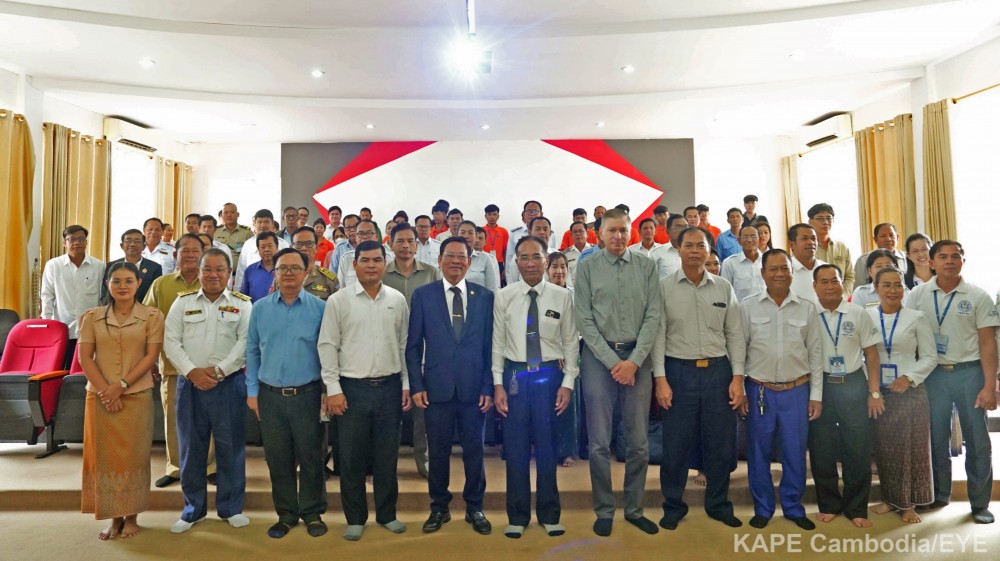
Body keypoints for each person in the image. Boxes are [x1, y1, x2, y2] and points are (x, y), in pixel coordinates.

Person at [574, 208, 662, 537]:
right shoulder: (587, 267)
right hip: (599, 358)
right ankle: (604, 509)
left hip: (638, 357)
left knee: (638, 442)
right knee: (599, 442)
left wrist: (634, 361)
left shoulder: (647, 266)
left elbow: (653, 316)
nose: (618, 236)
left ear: (631, 232)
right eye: (611, 230)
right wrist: (614, 362)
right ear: (599, 233)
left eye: (623, 230)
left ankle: (635, 509)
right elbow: (584, 319)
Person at [652, 227, 746, 531]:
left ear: (708, 250)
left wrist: (738, 378)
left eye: (700, 246)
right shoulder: (663, 288)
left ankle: (718, 505)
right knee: (676, 443)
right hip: (678, 372)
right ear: (678, 250)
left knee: (720, 442)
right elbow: (658, 336)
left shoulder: (723, 287)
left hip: (719, 372)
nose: (694, 250)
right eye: (688, 245)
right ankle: (673, 506)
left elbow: (735, 334)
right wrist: (660, 379)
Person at [406, 237, 495, 536]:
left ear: (469, 262)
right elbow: (413, 346)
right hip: (436, 388)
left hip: (474, 389)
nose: (456, 261)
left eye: (462, 257)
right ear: (440, 259)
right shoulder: (423, 295)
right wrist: (416, 385)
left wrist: (488, 386)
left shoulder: (484, 297)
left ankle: (475, 507)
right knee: (438, 452)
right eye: (450, 256)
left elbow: (489, 346)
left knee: (474, 452)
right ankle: (439, 507)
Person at [492, 236, 579, 539]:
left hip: (549, 378)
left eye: (536, 257)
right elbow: (497, 343)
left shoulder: (562, 296)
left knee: (547, 448)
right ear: (516, 262)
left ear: (546, 260)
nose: (530, 263)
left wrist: (568, 383)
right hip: (515, 378)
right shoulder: (504, 296)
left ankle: (549, 514)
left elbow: (570, 342)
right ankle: (517, 516)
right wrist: (497, 384)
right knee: (515, 449)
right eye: (524, 257)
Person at [907, 240, 998, 524]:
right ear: (931, 262)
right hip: (933, 375)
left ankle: (980, 503)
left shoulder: (978, 295)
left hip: (970, 374)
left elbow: (988, 343)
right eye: (942, 256)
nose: (949, 261)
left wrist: (990, 386)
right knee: (935, 438)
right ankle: (939, 494)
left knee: (977, 440)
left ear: (963, 261)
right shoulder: (917, 295)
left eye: (955, 256)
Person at [163, 248, 252, 534]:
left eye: (219, 269)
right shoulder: (182, 303)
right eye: (208, 269)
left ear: (229, 274)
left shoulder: (243, 305)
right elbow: (171, 341)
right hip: (190, 385)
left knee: (230, 448)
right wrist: (192, 372)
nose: (213, 275)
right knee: (191, 449)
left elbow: (245, 343)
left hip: (229, 385)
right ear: (199, 272)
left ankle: (231, 508)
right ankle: (192, 510)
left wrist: (220, 371)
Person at [246, 248, 328, 539]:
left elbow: (329, 353)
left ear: (306, 273)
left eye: (295, 268)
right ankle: (286, 514)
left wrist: (327, 390)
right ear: (275, 273)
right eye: (283, 268)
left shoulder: (321, 308)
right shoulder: (260, 308)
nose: (289, 273)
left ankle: (313, 513)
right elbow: (252, 351)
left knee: (311, 458)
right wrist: (252, 392)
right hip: (270, 396)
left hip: (309, 394)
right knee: (278, 459)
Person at [78, 261, 163, 541]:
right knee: (106, 459)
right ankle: (113, 518)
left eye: (128, 281)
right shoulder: (91, 316)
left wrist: (122, 386)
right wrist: (106, 391)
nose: (122, 286)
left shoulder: (152, 316)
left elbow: (151, 357)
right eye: (116, 281)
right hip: (99, 398)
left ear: (139, 284)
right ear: (107, 284)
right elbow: (84, 358)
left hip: (136, 396)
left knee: (134, 457)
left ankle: (132, 517)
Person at [741, 249, 823, 530]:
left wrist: (816, 396)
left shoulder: (807, 307)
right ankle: (763, 507)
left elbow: (816, 355)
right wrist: (740, 388)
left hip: (796, 390)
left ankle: (793, 506)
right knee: (758, 451)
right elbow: (739, 350)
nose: (779, 274)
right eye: (773, 269)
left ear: (792, 272)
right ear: (763, 273)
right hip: (759, 390)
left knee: (794, 451)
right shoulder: (748, 306)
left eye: (784, 268)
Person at [808, 264, 882, 528]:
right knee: (821, 448)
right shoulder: (808, 314)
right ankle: (829, 504)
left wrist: (874, 392)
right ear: (814, 286)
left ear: (843, 284)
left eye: (835, 281)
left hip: (853, 384)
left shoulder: (858, 313)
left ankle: (856, 507)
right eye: (824, 282)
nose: (830, 286)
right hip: (820, 386)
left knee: (857, 447)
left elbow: (872, 355)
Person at [867, 266, 937, 523]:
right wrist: (873, 389)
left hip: (911, 391)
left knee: (912, 449)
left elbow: (930, 357)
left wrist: (909, 377)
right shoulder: (866, 316)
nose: (893, 290)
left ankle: (909, 504)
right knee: (885, 449)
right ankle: (890, 499)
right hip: (878, 392)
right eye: (886, 285)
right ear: (875, 287)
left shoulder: (916, 317)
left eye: (898, 285)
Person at [142, 235, 212, 488]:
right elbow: (147, 321)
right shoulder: (161, 285)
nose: (191, 255)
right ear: (175, 255)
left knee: (207, 418)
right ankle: (175, 468)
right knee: (173, 419)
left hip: (207, 366)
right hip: (172, 365)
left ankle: (209, 467)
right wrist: (150, 359)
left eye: (196, 251)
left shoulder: (214, 283)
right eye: (186, 251)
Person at [384, 223, 441, 479]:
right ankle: (384, 467)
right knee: (388, 414)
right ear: (391, 244)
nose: (406, 245)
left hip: (423, 351)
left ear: (417, 245)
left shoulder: (431, 272)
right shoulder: (382, 274)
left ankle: (425, 465)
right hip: (389, 349)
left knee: (423, 413)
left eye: (410, 241)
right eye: (400, 241)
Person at [41, 224, 106, 367]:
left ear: (86, 242)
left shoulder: (99, 266)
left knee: (88, 368)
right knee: (61, 367)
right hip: (62, 328)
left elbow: (103, 298)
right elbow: (47, 296)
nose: (77, 242)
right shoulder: (53, 265)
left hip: (91, 329)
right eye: (72, 239)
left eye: (81, 239)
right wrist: (47, 324)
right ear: (65, 243)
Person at [100, 229, 162, 305]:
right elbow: (105, 294)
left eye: (137, 241)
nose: (132, 244)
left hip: (144, 310)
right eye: (128, 240)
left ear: (144, 246)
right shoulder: (111, 266)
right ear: (122, 246)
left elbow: (156, 295)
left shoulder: (154, 268)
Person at [235, 209, 289, 289]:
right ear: (254, 224)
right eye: (259, 222)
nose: (263, 225)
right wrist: (237, 291)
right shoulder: (248, 244)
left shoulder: (283, 244)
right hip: (253, 290)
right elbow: (241, 270)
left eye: (266, 222)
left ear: (272, 224)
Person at [808, 203, 854, 295]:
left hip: (841, 298)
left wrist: (843, 296)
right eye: (820, 218)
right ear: (810, 221)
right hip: (814, 299)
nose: (825, 222)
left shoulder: (842, 247)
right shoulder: (807, 247)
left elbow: (850, 276)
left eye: (829, 218)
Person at [337, 220, 394, 289]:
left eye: (369, 233)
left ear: (377, 237)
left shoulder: (388, 259)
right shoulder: (345, 259)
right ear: (356, 237)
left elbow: (391, 287)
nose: (364, 237)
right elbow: (342, 287)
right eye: (361, 234)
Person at [721, 225, 766, 302]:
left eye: (753, 236)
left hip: (764, 308)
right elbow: (725, 292)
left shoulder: (767, 261)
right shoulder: (729, 263)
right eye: (745, 237)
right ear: (739, 241)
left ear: (760, 239)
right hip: (740, 309)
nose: (749, 240)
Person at [505, 201, 545, 285]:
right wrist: (510, 282)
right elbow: (510, 258)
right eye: (529, 211)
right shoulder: (515, 233)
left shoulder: (549, 234)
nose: (532, 214)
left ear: (541, 214)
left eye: (535, 211)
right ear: (524, 214)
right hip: (520, 278)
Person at [788, 223, 824, 309]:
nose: (811, 242)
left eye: (813, 238)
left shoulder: (827, 269)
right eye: (804, 238)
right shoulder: (785, 272)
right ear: (791, 244)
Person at [458, 220, 500, 293]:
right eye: (462, 232)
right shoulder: (449, 257)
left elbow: (492, 288)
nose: (466, 236)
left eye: (470, 233)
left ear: (475, 237)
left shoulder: (485, 259)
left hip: (480, 299)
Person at [241, 232, 279, 303]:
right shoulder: (249, 270)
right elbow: (244, 297)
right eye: (263, 247)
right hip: (254, 309)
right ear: (258, 249)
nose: (266, 249)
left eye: (270, 246)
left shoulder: (284, 269)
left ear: (277, 247)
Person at [482, 204, 509, 280]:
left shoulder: (503, 231)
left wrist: (505, 268)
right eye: (489, 214)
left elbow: (506, 251)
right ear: (485, 216)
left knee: (498, 284)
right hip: (483, 261)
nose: (492, 217)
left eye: (494, 214)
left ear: (498, 216)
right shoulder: (481, 230)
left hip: (499, 263)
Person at [562, 221, 591, 286]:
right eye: (575, 232)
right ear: (571, 235)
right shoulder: (565, 255)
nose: (578, 234)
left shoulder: (596, 250)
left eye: (580, 231)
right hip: (574, 289)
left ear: (587, 233)